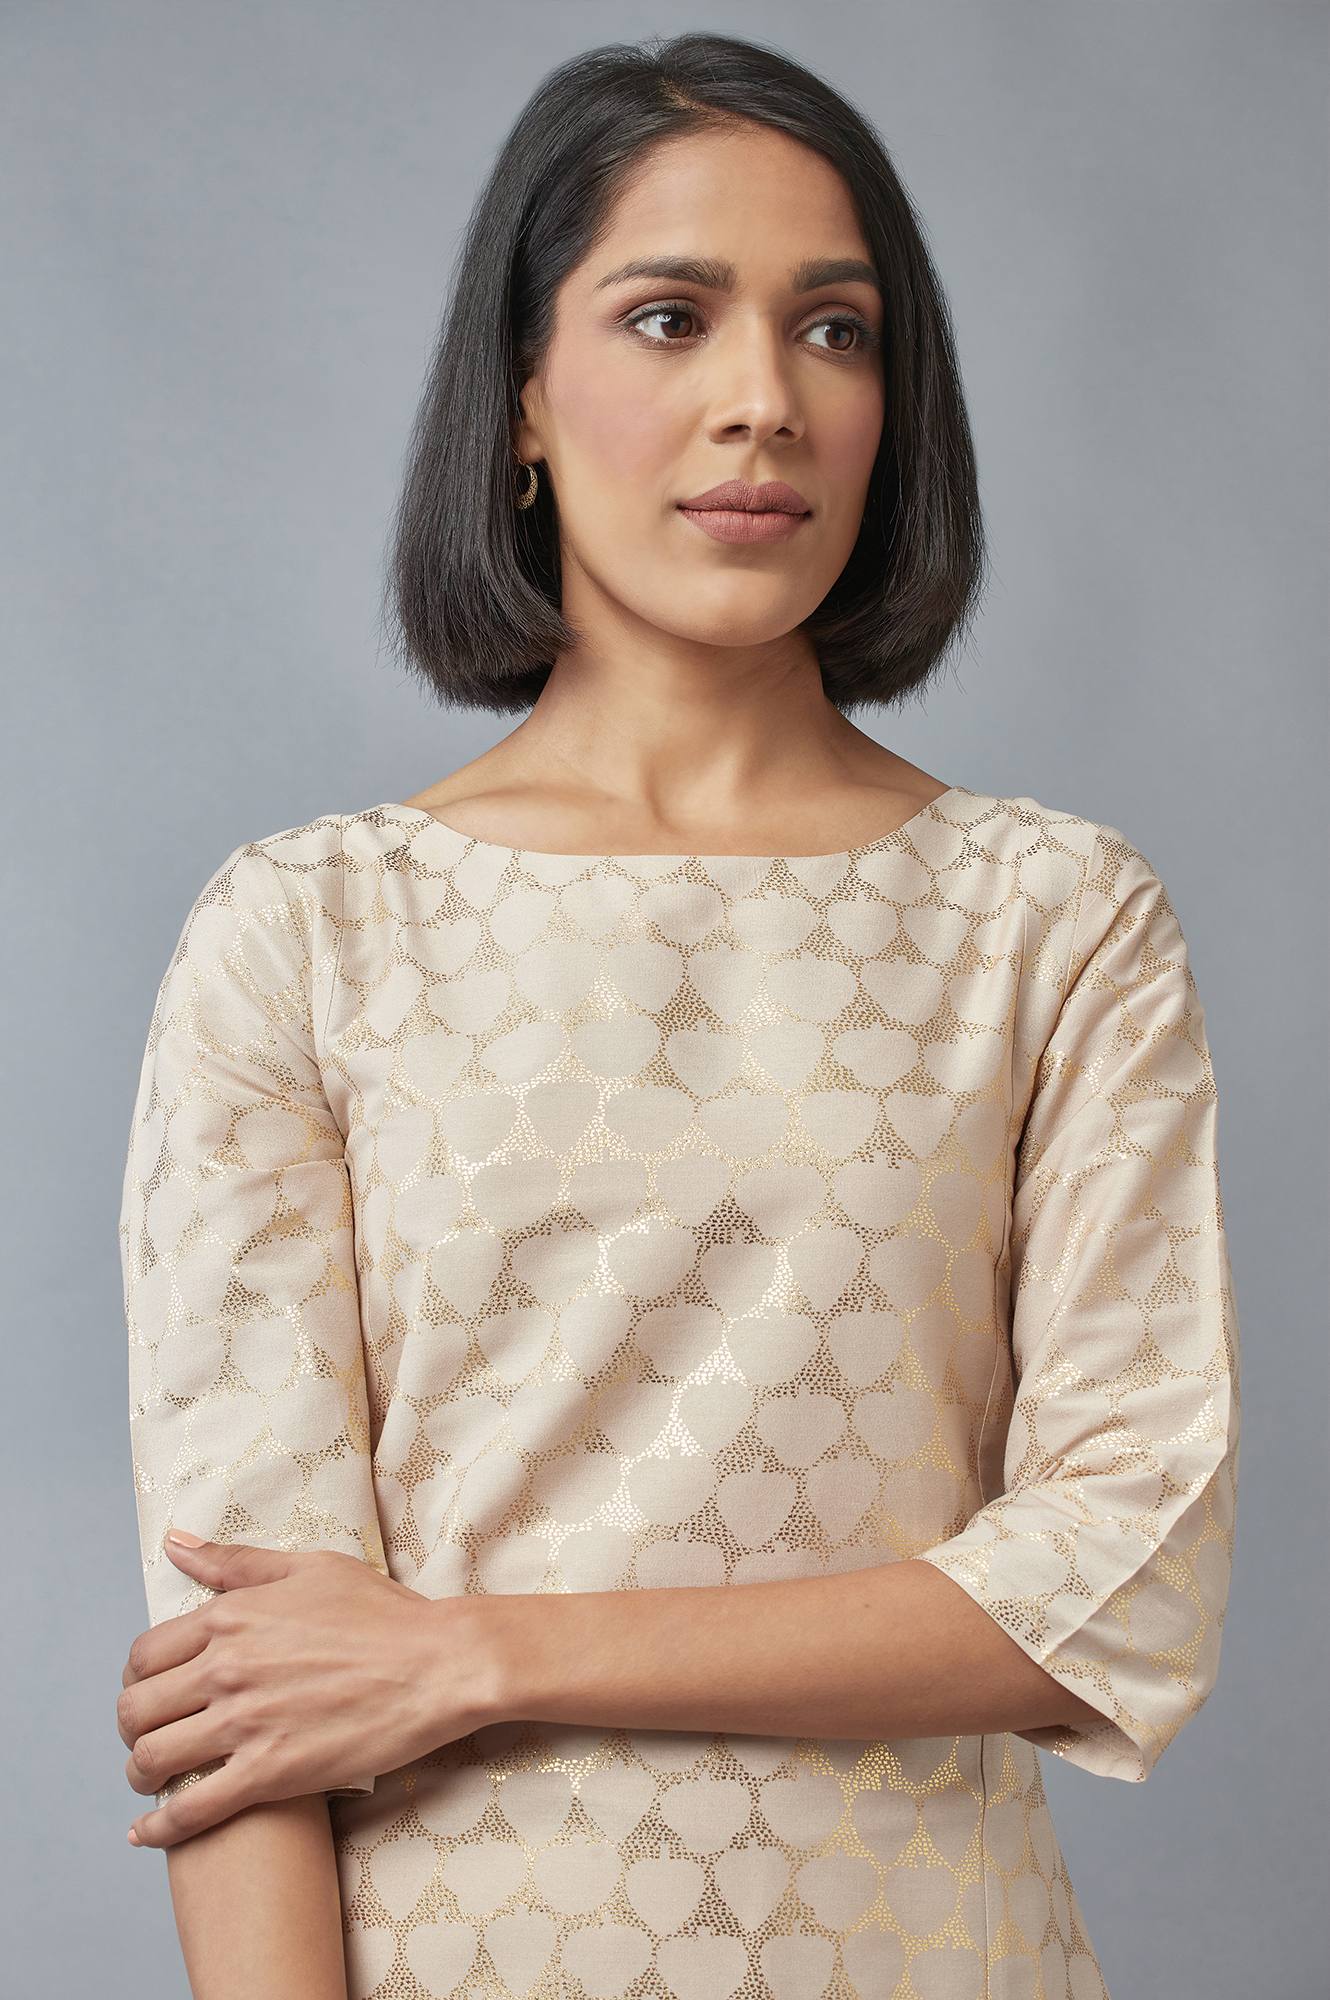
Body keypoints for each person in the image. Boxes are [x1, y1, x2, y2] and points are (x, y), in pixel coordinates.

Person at [116, 31, 1241, 2000]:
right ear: (521, 402)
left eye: (833, 331)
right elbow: (250, 1678)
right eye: (668, 316)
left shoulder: (1049, 921)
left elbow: (1118, 1565)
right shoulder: (306, 934)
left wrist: (481, 1656)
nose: (761, 401)